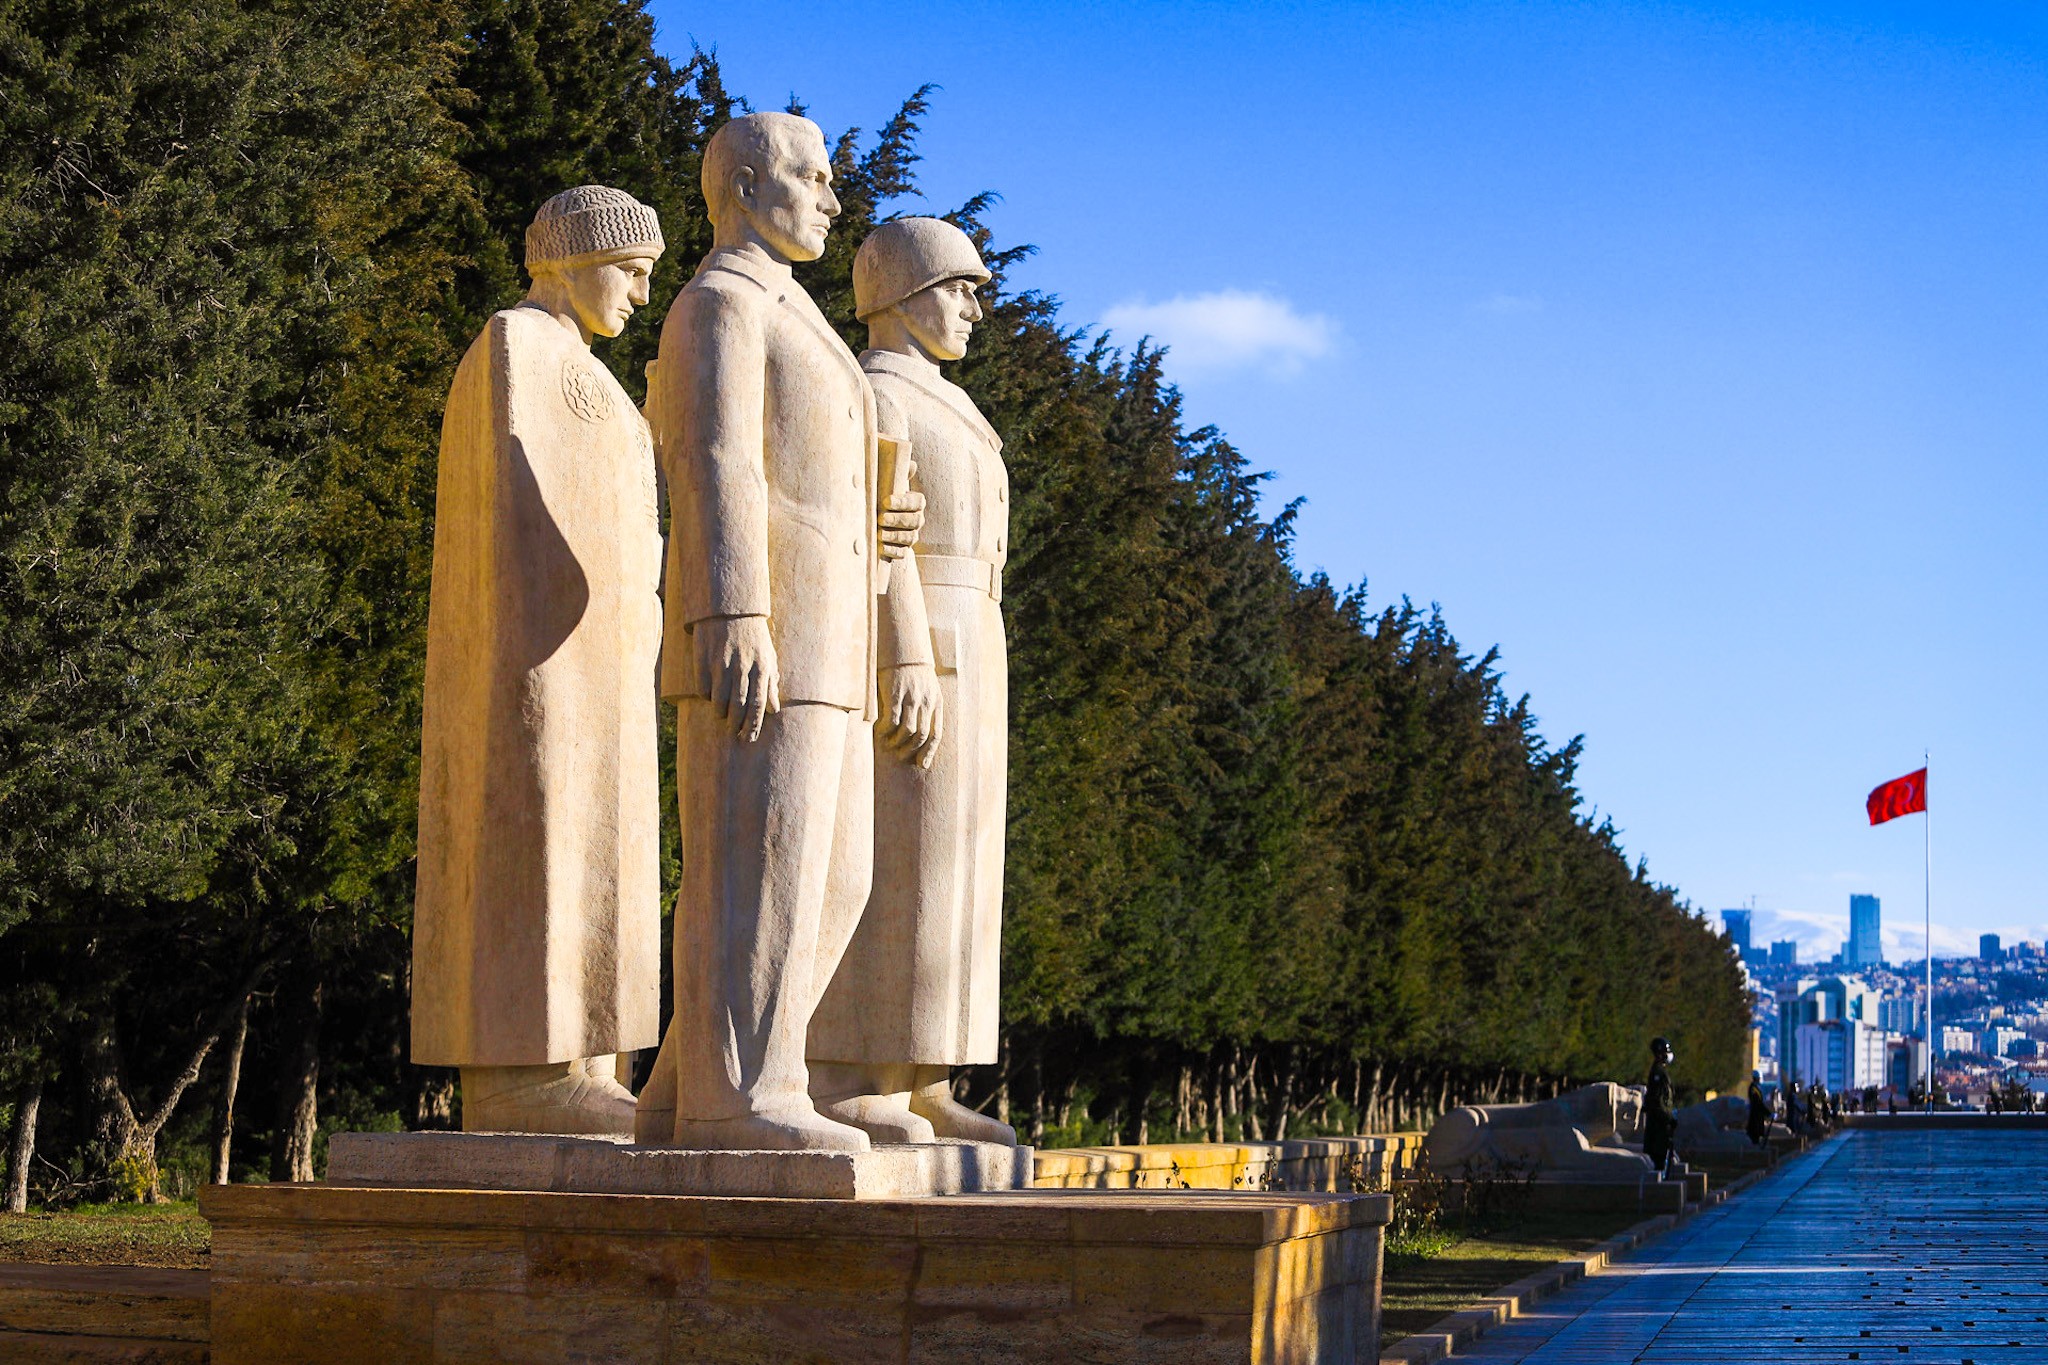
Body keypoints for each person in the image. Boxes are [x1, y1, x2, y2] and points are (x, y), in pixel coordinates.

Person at [633, 113, 934, 1150]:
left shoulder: (793, 313)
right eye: (812, 178)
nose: (832, 200)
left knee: (830, 874)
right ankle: (739, 1098)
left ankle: (683, 1092)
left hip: (830, 635)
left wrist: (885, 522)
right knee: (756, 869)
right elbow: (712, 459)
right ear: (748, 188)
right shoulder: (717, 304)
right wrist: (731, 609)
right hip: (764, 630)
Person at [411, 186, 667, 1135]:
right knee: (542, 835)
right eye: (630, 270)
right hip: (543, 652)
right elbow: (515, 504)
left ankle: (593, 1059)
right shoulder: (514, 345)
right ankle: (528, 1069)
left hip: (605, 654)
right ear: (571, 257)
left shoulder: (589, 372)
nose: (641, 294)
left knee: (604, 841)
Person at [806, 218, 1017, 1143]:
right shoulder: (873, 392)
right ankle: (847, 1070)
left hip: (976, 635)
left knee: (955, 868)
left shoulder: (951, 401)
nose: (973, 308)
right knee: (897, 855)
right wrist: (904, 651)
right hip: (921, 635)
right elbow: (878, 536)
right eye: (957, 287)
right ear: (900, 291)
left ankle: (924, 1072)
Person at [1643, 1036, 1678, 1176]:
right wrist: (1668, 1118)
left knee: (1663, 1154)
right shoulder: (1658, 1072)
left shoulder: (1659, 1070)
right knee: (1659, 1156)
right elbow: (1657, 1101)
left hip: (1660, 1121)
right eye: (1666, 1052)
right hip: (1659, 1123)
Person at [1745, 1070, 1769, 1147]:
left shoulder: (1756, 1088)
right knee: (1755, 1133)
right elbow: (1758, 1103)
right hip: (1755, 1116)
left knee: (1758, 1134)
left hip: (1758, 1115)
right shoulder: (1753, 1089)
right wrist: (1768, 1113)